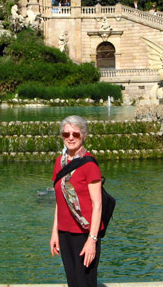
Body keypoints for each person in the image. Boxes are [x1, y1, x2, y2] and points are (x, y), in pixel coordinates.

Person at [50, 115, 103, 287]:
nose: (70, 138)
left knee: (85, 282)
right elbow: (60, 201)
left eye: (75, 134)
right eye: (66, 134)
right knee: (72, 282)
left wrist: (92, 240)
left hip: (85, 234)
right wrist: (55, 233)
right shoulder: (59, 163)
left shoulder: (89, 164)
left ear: (84, 136)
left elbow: (97, 205)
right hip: (64, 233)